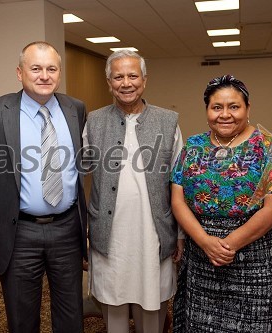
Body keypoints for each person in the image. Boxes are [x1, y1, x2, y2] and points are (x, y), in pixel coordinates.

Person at [171, 74, 272, 332]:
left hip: (256, 259)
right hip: (202, 257)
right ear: (207, 110)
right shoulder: (193, 146)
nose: (225, 114)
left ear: (248, 109)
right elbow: (178, 201)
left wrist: (228, 245)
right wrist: (206, 243)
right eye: (217, 107)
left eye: (234, 106)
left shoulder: (269, 147)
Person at [0, 41, 87, 333]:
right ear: (19, 72)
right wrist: (2, 197)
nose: (44, 75)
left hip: (67, 228)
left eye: (51, 69)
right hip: (19, 231)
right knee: (22, 316)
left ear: (59, 73)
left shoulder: (75, 108)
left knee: (70, 313)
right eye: (35, 68)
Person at [83, 50, 185, 333]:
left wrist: (179, 234)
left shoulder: (169, 121)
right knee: (113, 307)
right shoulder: (94, 121)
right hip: (110, 234)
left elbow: (180, 182)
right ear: (109, 82)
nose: (125, 83)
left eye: (132, 75)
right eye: (118, 77)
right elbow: (76, 174)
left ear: (144, 80)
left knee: (152, 308)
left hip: (153, 234)